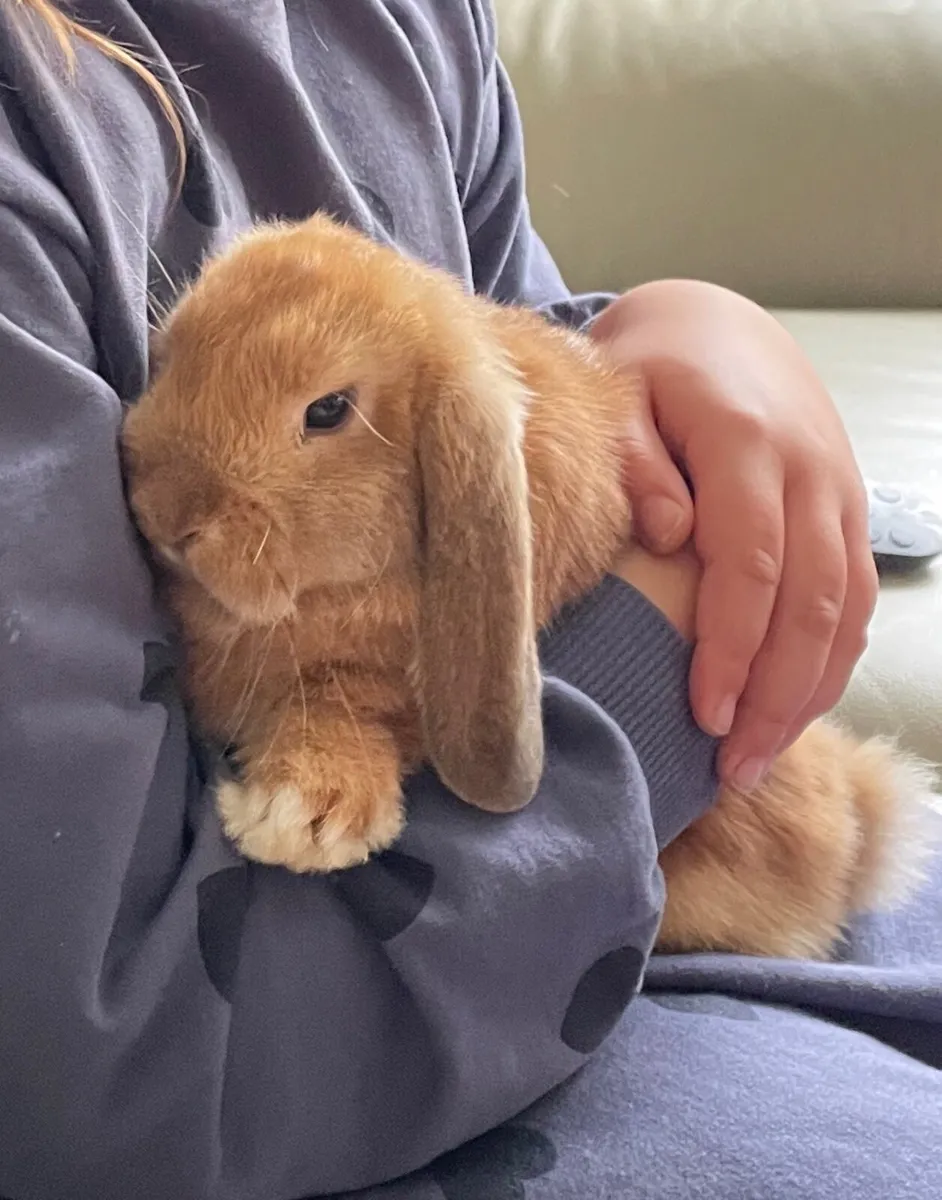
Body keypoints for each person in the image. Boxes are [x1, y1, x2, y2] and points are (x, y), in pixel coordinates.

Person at [0, 2, 938, 1198]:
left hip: (620, 875)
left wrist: (671, 332)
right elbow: (103, 1071)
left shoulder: (397, 21)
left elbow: (506, 334)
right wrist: (663, 646)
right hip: (289, 1043)